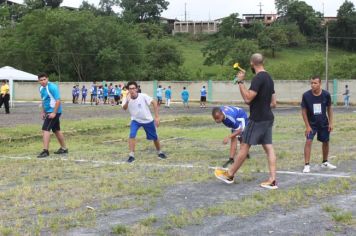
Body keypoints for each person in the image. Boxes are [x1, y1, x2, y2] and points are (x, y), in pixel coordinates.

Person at [215, 53, 278, 190]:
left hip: (257, 119)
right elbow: (274, 103)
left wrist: (240, 82)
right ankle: (273, 180)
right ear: (263, 61)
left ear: (251, 63)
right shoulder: (269, 78)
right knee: (269, 147)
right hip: (268, 117)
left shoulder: (258, 78)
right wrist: (262, 105)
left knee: (244, 146)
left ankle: (230, 174)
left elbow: (248, 99)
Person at [122, 81, 167, 163]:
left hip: (147, 120)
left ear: (137, 89)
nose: (131, 90)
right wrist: (127, 101)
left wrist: (157, 117)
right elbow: (124, 108)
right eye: (130, 89)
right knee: (132, 135)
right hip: (135, 120)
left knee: (154, 137)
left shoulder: (143, 96)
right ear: (128, 90)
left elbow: (154, 102)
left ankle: (159, 152)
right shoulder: (126, 98)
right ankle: (131, 155)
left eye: (133, 88)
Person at [301, 76, 336, 173]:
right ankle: (307, 165)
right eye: (311, 83)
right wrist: (307, 126)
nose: (313, 85)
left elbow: (329, 108)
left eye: (315, 83)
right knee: (308, 141)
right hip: (311, 124)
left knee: (326, 141)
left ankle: (325, 162)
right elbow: (303, 111)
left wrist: (331, 123)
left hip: (323, 122)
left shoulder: (326, 94)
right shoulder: (306, 95)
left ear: (320, 83)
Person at [37, 73, 68, 158]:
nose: (43, 81)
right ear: (38, 81)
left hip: (54, 112)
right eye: (41, 80)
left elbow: (58, 101)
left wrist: (54, 113)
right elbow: (44, 100)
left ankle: (45, 151)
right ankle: (64, 148)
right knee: (56, 130)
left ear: (47, 79)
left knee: (45, 129)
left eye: (44, 79)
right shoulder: (40, 88)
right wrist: (43, 112)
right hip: (48, 112)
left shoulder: (52, 87)